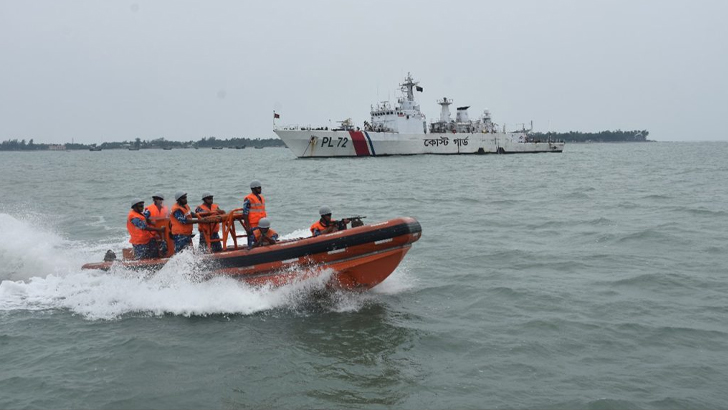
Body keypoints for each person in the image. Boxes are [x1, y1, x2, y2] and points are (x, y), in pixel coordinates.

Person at [243, 180, 267, 246]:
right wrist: (247, 227)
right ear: (253, 189)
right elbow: (245, 213)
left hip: (262, 224)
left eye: (260, 187)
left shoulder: (261, 197)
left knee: (261, 241)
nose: (260, 189)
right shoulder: (249, 199)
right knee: (253, 242)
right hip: (253, 225)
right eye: (258, 188)